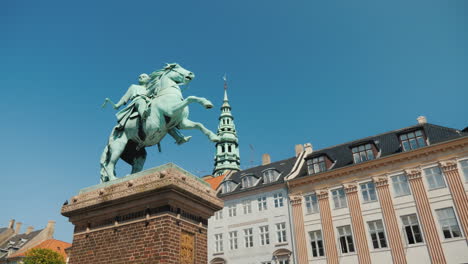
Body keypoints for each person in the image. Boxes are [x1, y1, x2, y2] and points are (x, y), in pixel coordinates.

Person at [103, 73, 191, 145]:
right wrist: (117, 105)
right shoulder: (134, 87)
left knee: (164, 118)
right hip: (138, 101)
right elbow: (124, 98)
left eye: (143, 76)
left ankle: (179, 138)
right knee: (141, 101)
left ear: (148, 79)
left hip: (150, 103)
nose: (141, 77)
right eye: (139, 77)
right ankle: (144, 114)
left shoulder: (151, 87)